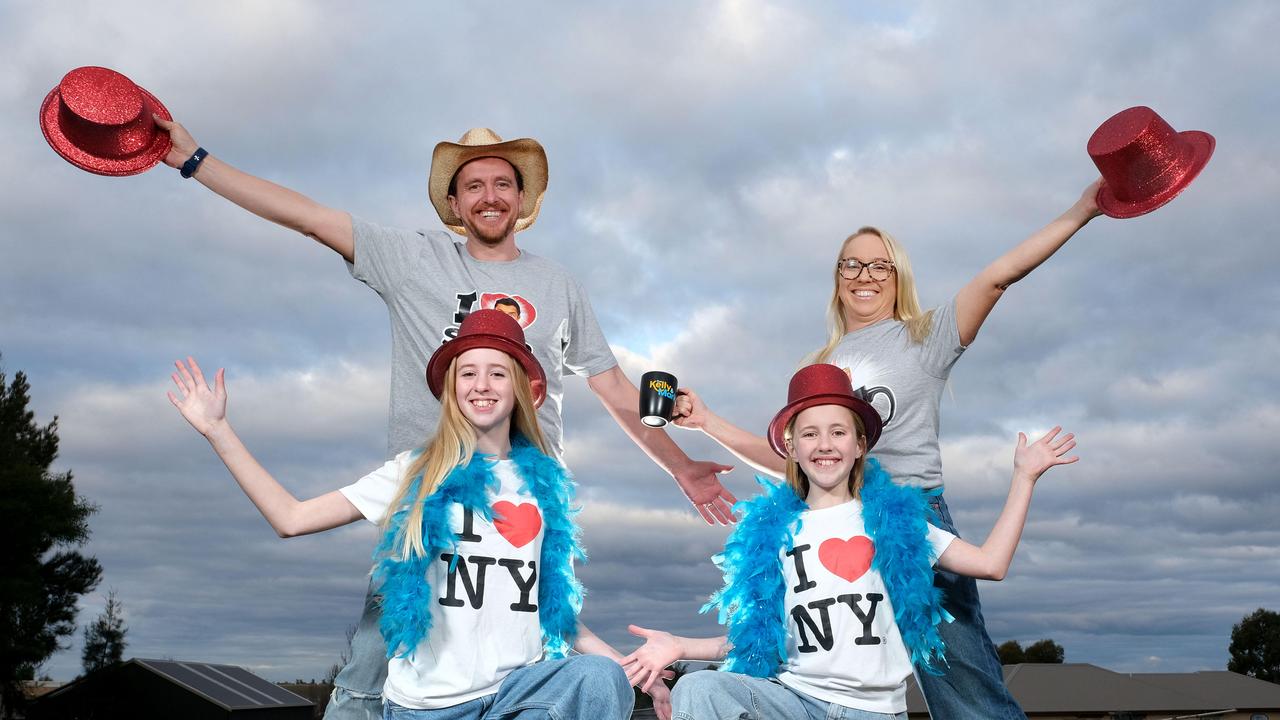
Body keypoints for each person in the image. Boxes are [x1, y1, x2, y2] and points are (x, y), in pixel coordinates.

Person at [152, 118, 736, 717]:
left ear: (524, 198)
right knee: (376, 669)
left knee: (545, 662)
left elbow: (614, 389)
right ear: (453, 203)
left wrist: (681, 467)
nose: (490, 196)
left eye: (504, 183)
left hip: (527, 508)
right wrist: (195, 160)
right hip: (425, 502)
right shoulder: (413, 260)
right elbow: (307, 215)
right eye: (474, 184)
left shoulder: (557, 284)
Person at [671, 183, 1103, 718]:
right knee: (811, 663)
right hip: (837, 516)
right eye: (851, 266)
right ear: (837, 280)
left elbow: (998, 276)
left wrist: (1084, 209)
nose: (866, 276)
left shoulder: (925, 335)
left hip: (911, 518)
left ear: (898, 277)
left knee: (961, 686)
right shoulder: (820, 362)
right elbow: (792, 455)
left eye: (881, 265)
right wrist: (705, 421)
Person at [168, 310, 668, 719]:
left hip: (517, 697)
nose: (482, 384)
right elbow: (290, 517)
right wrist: (218, 431)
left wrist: (633, 671)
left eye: (498, 373)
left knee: (600, 680)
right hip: (431, 708)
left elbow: (554, 612)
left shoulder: (545, 487)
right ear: (451, 389)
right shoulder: (416, 472)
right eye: (468, 373)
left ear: (519, 388)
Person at [624, 364, 1076, 720]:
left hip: (875, 712)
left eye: (838, 432)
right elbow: (757, 640)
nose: (825, 444)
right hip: (796, 702)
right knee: (702, 688)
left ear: (860, 445)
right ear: (791, 448)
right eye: (810, 433)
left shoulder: (898, 522)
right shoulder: (775, 535)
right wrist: (680, 645)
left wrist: (1024, 477)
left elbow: (991, 563)